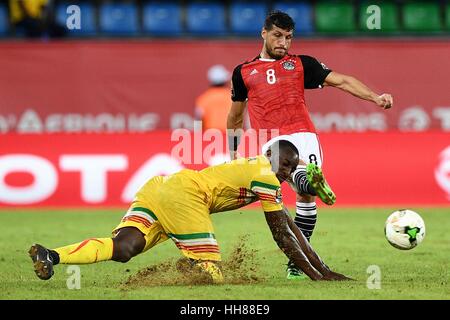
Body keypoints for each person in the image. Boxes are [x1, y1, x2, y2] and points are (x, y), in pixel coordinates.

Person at [29, 140, 351, 283]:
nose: (286, 170)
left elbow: (290, 228)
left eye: (292, 167)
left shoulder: (258, 169)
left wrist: (322, 267)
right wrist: (317, 276)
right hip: (186, 196)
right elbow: (282, 233)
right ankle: (171, 272)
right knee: (211, 275)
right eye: (284, 162)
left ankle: (51, 256)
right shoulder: (265, 174)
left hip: (161, 187)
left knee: (123, 248)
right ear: (269, 154)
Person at [227, 11, 393, 280]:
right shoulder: (244, 72)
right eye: (278, 36)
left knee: (305, 198)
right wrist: (233, 151)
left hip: (305, 135)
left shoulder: (302, 65)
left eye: (289, 37)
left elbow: (342, 80)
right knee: (295, 177)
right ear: (264, 33)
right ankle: (308, 179)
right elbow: (235, 117)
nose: (283, 42)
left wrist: (375, 97)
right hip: (273, 139)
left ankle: (297, 261)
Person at [194, 64, 234, 132]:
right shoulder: (233, 97)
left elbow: (198, 119)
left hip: (211, 136)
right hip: (230, 135)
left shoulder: (204, 98)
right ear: (225, 81)